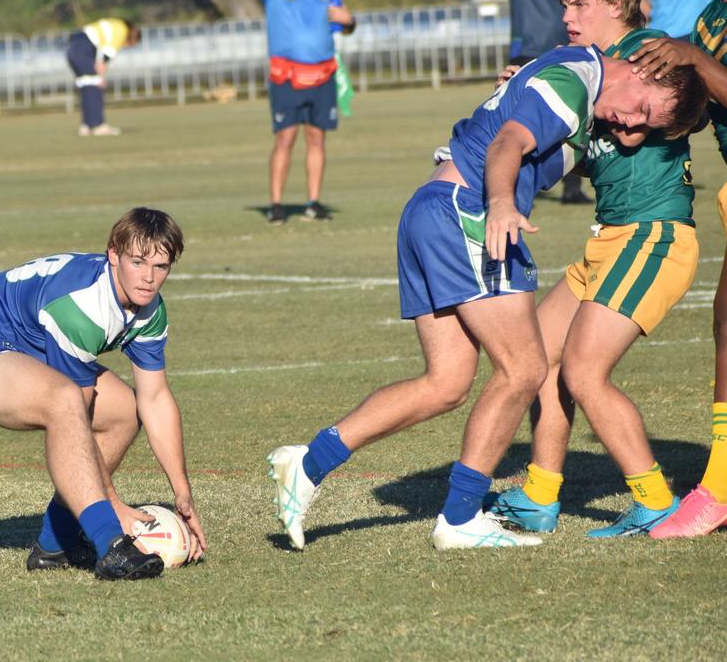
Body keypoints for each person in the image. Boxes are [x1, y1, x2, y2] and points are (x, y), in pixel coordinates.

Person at [266, 44, 706, 550]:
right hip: (469, 213)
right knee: (524, 370)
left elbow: (530, 134)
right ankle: (458, 519)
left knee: (447, 382)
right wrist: (500, 204)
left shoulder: (572, 84)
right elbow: (507, 144)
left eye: (643, 128)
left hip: (431, 209)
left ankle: (308, 462)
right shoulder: (574, 83)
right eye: (641, 111)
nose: (631, 128)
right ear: (641, 69)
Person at [487, 0, 700, 537]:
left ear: (617, 3)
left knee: (584, 372)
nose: (568, 15)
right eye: (564, 4)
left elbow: (694, 106)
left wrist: (690, 61)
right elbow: (588, 159)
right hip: (609, 236)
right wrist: (531, 94)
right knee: (537, 362)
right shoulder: (583, 68)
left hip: (652, 233)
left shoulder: (655, 52)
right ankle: (539, 494)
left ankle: (655, 499)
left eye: (580, 2)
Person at [0, 208, 207, 580]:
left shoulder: (149, 308)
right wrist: (114, 504)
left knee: (124, 411)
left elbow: (154, 399)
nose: (149, 278)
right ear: (113, 255)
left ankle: (55, 545)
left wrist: (182, 493)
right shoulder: (82, 306)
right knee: (66, 401)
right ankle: (111, 546)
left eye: (161, 267)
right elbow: (80, 411)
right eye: (138, 263)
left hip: (20, 348)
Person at [629, 0, 727, 537]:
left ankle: (717, 488)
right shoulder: (711, 19)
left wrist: (691, 58)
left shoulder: (701, 35)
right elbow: (695, 107)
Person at [248, 0, 355, 224]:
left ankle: (313, 202)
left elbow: (345, 23)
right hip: (287, 76)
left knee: (316, 138)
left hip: (322, 75)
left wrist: (349, 20)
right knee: (285, 137)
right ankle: (276, 204)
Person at [489, 0, 594, 205]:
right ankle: (513, 185)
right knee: (516, 119)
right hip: (526, 49)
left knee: (572, 117)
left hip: (563, 49)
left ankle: (572, 189)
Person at [65, 18, 140, 136]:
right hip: (84, 47)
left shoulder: (114, 23)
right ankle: (98, 125)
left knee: (86, 86)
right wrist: (101, 77)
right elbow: (105, 56)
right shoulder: (122, 29)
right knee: (95, 85)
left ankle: (87, 126)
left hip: (73, 46)